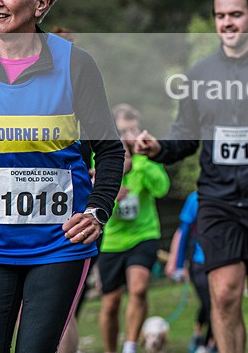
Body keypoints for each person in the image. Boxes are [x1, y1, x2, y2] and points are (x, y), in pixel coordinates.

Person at [135, 0, 248, 353]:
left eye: (236, 15)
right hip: (218, 201)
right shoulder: (199, 74)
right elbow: (185, 134)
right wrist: (158, 147)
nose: (227, 23)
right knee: (224, 296)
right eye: (221, 16)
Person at [0, 0, 124, 351]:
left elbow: (110, 150)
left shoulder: (75, 63)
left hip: (58, 245)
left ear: (41, 2)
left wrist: (98, 210)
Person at [98, 103, 170, 353]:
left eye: (132, 130)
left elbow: (162, 188)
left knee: (138, 289)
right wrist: (109, 191)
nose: (128, 137)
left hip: (144, 234)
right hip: (111, 240)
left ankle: (129, 346)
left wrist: (141, 159)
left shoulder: (145, 158)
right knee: (111, 303)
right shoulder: (101, 157)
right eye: (123, 131)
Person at [166, 191, 217, 353]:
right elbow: (184, 232)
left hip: (222, 263)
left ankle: (203, 340)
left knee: (214, 305)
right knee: (211, 306)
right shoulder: (195, 198)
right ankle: (208, 344)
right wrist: (179, 266)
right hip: (199, 263)